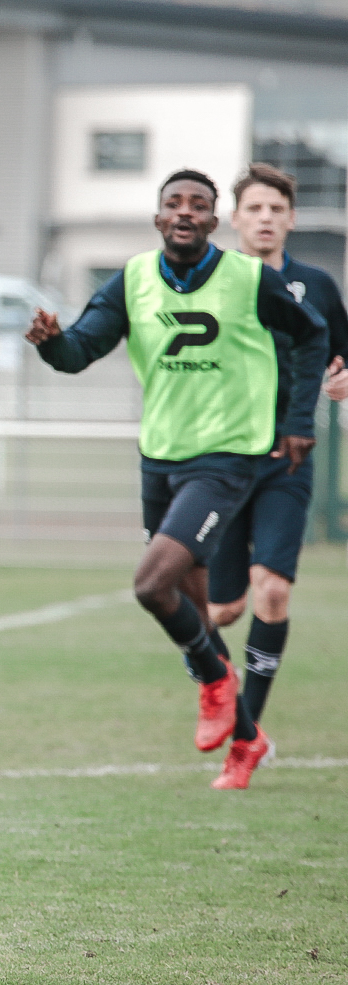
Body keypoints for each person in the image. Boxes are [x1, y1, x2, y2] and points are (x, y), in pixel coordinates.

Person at [25, 168, 327, 789]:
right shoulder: (134, 279)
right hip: (159, 460)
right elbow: (81, 349)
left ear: (214, 222)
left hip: (227, 461)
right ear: (159, 217)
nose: (185, 211)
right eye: (173, 203)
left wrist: (299, 420)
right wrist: (51, 344)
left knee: (149, 586)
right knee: (198, 609)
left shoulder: (248, 278)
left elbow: (312, 333)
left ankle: (216, 683)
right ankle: (247, 739)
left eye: (198, 204)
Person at [204, 164, 348, 770]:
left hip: (286, 461)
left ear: (291, 219)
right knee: (218, 611)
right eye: (254, 209)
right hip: (218, 461)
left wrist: (341, 377)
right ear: (234, 219)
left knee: (273, 592)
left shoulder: (315, 286)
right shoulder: (207, 280)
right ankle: (222, 694)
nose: (265, 219)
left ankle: (246, 737)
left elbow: (340, 355)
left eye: (276, 210)